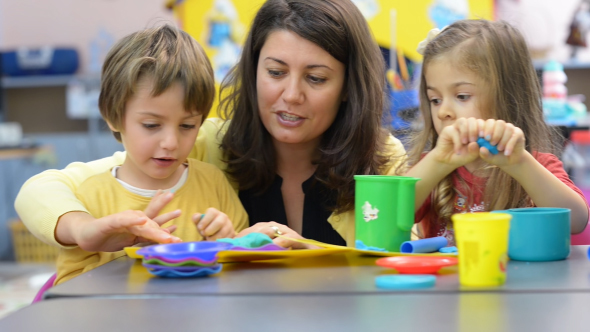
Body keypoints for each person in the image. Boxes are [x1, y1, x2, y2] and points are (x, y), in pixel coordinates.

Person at [15, 0, 406, 251]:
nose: (291, 94)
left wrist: (311, 252)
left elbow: (393, 262)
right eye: (275, 71)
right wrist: (82, 229)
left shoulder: (380, 155)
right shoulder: (207, 142)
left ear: (346, 87)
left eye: (316, 78)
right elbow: (45, 188)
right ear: (253, 72)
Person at [53, 25, 248, 285]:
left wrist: (229, 241)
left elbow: (247, 273)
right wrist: (127, 253)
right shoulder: (90, 199)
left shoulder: (213, 183)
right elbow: (68, 287)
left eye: (187, 126)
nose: (170, 143)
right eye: (151, 125)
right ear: (113, 116)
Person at [406, 19, 589, 245]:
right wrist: (437, 163)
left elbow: (577, 221)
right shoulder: (430, 168)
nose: (443, 111)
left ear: (508, 98)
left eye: (462, 96)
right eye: (435, 99)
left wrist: (520, 164)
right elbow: (381, 214)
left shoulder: (534, 164)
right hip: (449, 281)